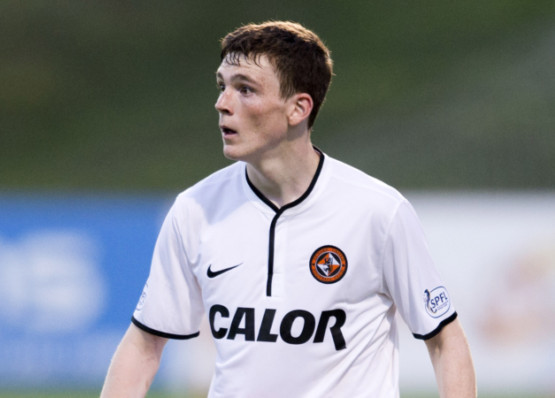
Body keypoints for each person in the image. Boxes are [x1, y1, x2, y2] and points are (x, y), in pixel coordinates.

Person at [100, 21, 476, 397]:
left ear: (298, 108)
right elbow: (143, 346)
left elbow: (445, 341)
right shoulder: (194, 209)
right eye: (222, 86)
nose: (222, 103)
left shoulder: (378, 211)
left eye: (245, 89)